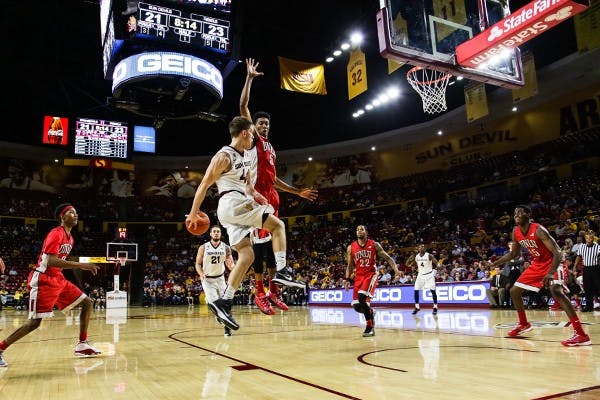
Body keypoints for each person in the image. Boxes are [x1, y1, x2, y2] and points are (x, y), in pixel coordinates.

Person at [185, 116, 303, 331]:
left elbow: (248, 187)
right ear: (245, 133)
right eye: (252, 134)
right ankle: (284, 271)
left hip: (238, 205)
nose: (254, 140)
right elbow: (204, 184)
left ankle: (224, 302)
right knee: (278, 226)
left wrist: (256, 195)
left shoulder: (246, 157)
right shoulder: (224, 156)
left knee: (248, 255)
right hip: (231, 203)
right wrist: (193, 213)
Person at [240, 58, 318, 315]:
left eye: (266, 124)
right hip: (256, 197)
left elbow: (274, 179)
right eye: (261, 123)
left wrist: (297, 192)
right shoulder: (253, 142)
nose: (264, 126)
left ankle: (274, 290)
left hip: (271, 196)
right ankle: (259, 292)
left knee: (273, 252)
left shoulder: (271, 149)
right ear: (254, 127)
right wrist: (250, 78)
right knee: (260, 252)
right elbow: (243, 106)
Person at [0, 203, 102, 368]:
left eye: (76, 212)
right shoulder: (56, 233)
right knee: (35, 323)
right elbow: (51, 261)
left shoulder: (71, 238)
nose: (75, 215)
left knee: (87, 303)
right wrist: (80, 265)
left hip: (58, 279)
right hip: (44, 280)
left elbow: (59, 264)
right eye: (71, 212)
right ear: (62, 216)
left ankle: (82, 344)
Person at [488, 205, 591, 346]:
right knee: (514, 291)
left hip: (555, 262)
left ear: (528, 215)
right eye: (515, 213)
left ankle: (581, 334)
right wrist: (495, 263)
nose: (516, 215)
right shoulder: (516, 232)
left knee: (555, 290)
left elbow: (558, 253)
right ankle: (524, 324)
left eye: (520, 212)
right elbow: (514, 254)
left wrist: (550, 272)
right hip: (538, 263)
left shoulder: (538, 230)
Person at [344, 225, 399, 337]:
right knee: (357, 306)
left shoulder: (374, 244)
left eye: (361, 229)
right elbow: (349, 265)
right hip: (358, 277)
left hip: (370, 275)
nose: (359, 231)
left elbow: (388, 258)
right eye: (357, 229)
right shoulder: (351, 247)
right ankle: (371, 312)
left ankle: (369, 327)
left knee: (362, 298)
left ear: (366, 232)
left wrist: (396, 270)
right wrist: (347, 279)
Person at [195, 225, 234, 337]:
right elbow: (197, 264)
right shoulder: (203, 247)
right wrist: (201, 273)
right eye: (214, 231)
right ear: (211, 234)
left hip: (220, 278)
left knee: (226, 304)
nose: (216, 233)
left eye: (218, 231)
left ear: (220, 234)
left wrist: (233, 267)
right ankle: (218, 315)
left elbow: (230, 265)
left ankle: (227, 329)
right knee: (215, 305)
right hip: (207, 280)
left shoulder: (226, 248)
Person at [407, 244, 440, 315]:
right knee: (416, 290)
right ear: (418, 248)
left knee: (433, 291)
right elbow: (408, 264)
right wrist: (410, 259)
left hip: (429, 275)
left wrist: (438, 265)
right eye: (420, 247)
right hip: (420, 275)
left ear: (425, 248)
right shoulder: (416, 256)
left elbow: (436, 262)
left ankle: (435, 307)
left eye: (423, 247)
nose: (421, 248)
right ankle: (417, 307)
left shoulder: (429, 255)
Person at [573, 231, 600, 312]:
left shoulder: (598, 247)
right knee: (587, 288)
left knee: (598, 286)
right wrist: (574, 266)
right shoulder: (582, 247)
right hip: (586, 269)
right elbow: (578, 256)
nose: (589, 239)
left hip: (595, 269)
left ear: (593, 238)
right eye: (587, 238)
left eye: (590, 238)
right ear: (585, 238)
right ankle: (589, 307)